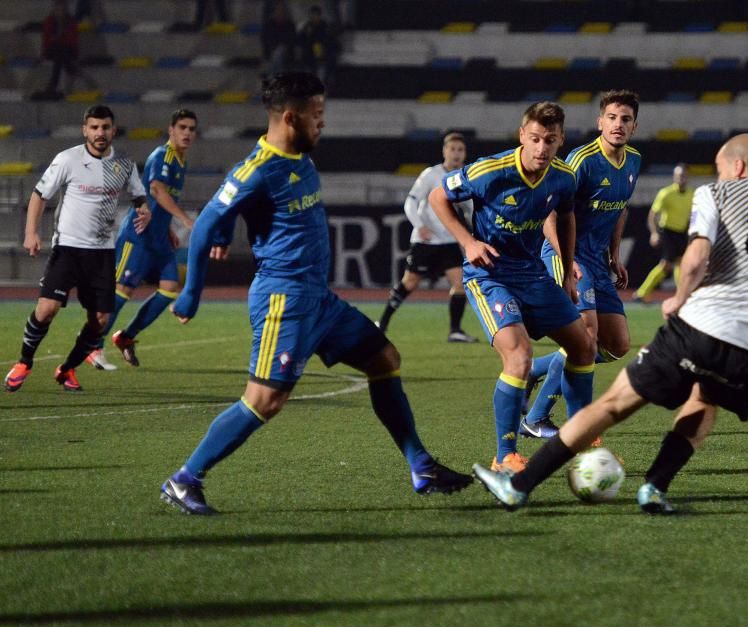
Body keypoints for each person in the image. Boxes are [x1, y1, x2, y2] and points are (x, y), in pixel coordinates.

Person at [472, 134, 748, 513]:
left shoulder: (714, 194)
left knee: (613, 404)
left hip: (698, 327)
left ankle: (519, 486)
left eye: (721, 168)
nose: (718, 175)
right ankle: (655, 487)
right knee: (705, 402)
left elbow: (696, 256)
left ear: (737, 167)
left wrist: (679, 298)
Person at [160, 72, 472, 515]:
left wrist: (231, 229)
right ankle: (184, 479)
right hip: (283, 300)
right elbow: (207, 222)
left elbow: (229, 221)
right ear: (290, 117)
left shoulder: (301, 159)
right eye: (317, 114)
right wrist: (192, 290)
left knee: (384, 359)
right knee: (265, 399)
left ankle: (421, 466)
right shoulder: (257, 168)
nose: (323, 122)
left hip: (318, 299)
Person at [428, 102, 597, 474]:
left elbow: (566, 219)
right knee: (519, 357)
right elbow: (437, 197)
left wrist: (566, 274)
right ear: (522, 136)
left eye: (550, 140)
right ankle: (505, 455)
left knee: (584, 346)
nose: (541, 148)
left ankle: (581, 434)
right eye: (535, 139)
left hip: (533, 274)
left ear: (560, 140)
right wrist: (467, 243)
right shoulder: (490, 171)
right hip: (490, 275)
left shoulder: (562, 177)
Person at [520, 90, 641, 439]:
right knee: (585, 338)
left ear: (634, 126)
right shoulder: (581, 160)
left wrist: (614, 255)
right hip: (566, 256)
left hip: (597, 262)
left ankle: (533, 370)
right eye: (612, 118)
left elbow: (620, 209)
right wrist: (566, 258)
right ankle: (538, 418)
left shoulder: (632, 161)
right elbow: (548, 213)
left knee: (616, 344)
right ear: (600, 121)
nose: (618, 125)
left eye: (626, 119)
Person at [4, 105, 150, 393]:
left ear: (113, 130)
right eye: (94, 127)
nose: (100, 133)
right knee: (47, 309)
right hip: (68, 249)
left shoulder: (124, 164)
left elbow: (138, 196)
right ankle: (24, 362)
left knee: (100, 321)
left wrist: (144, 210)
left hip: (102, 253)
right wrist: (31, 232)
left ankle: (67, 368)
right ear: (85, 130)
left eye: (105, 127)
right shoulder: (68, 159)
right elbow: (38, 195)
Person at [86, 109, 199, 371]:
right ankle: (94, 344)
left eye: (192, 129)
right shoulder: (162, 156)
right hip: (137, 235)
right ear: (171, 129)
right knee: (122, 290)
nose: (187, 133)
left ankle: (125, 337)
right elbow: (157, 190)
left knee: (170, 287)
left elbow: (159, 198)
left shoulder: (181, 161)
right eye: (182, 127)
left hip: (158, 237)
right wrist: (184, 220)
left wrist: (167, 227)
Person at [376, 132, 476, 342]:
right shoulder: (431, 174)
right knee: (410, 282)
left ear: (465, 153)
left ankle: (455, 330)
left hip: (449, 240)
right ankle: (382, 323)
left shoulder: (464, 177)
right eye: (452, 149)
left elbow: (470, 209)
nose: (456, 154)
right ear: (444, 151)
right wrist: (420, 226)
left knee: (460, 283)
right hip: (426, 241)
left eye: (460, 150)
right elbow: (411, 202)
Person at [632, 163, 693, 303]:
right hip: (668, 231)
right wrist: (654, 233)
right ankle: (641, 293)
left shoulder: (692, 194)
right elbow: (653, 215)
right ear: (674, 177)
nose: (681, 178)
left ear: (687, 177)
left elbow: (693, 214)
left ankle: (680, 295)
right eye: (678, 176)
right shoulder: (666, 193)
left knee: (679, 263)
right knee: (666, 264)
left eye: (683, 175)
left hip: (682, 232)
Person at [40, 0, 97, 95]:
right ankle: (73, 71)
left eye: (61, 9)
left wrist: (58, 38)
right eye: (57, 9)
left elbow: (72, 41)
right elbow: (46, 41)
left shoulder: (70, 22)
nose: (59, 12)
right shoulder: (48, 22)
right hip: (52, 50)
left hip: (67, 50)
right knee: (59, 50)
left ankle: (53, 84)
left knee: (60, 53)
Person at [261, 1, 298, 75]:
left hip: (286, 51)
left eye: (281, 11)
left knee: (279, 53)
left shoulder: (290, 25)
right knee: (277, 54)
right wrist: (274, 47)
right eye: (277, 11)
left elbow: (291, 39)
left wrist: (283, 46)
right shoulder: (269, 24)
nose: (279, 13)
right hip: (272, 50)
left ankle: (275, 75)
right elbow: (265, 38)